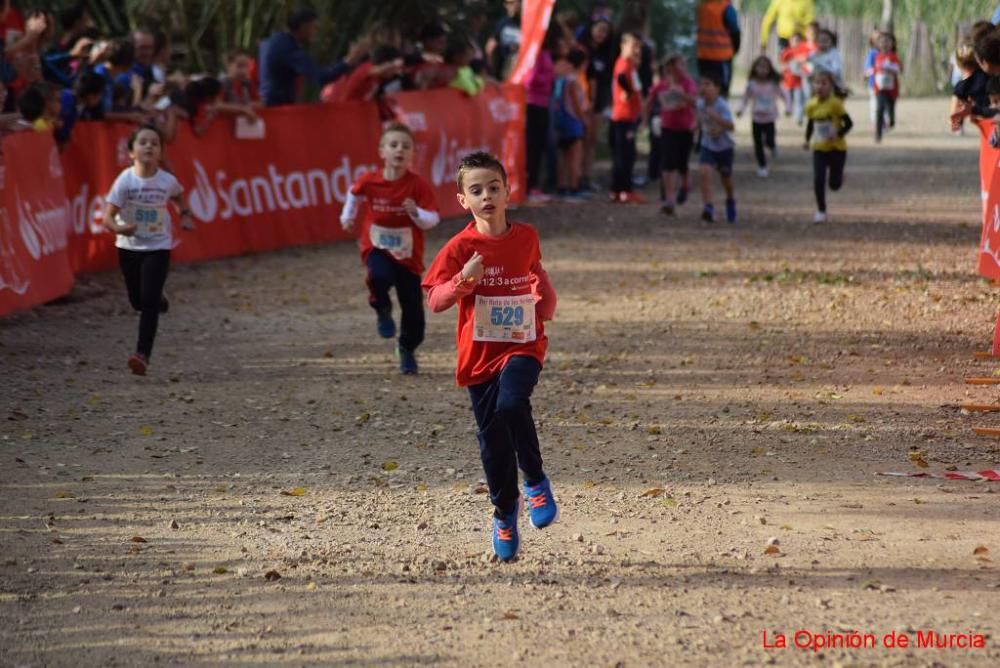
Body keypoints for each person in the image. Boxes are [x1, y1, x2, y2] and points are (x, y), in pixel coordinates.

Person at [422, 151, 558, 562]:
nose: (487, 196)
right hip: (479, 356)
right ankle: (504, 512)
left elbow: (540, 284)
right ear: (463, 200)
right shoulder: (460, 247)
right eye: (476, 190)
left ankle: (535, 481)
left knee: (514, 402)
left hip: (522, 345)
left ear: (507, 191)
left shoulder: (526, 235)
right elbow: (435, 299)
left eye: (493, 187)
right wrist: (464, 281)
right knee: (493, 444)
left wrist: (544, 298)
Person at [340, 123, 439, 375]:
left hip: (408, 255)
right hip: (377, 246)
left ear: (412, 155)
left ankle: (406, 348)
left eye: (406, 146)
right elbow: (354, 194)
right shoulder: (370, 180)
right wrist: (347, 217)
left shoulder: (417, 186)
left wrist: (416, 212)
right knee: (378, 276)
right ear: (382, 151)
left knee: (414, 314)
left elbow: (433, 219)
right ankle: (381, 307)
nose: (399, 150)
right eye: (393, 145)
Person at [101, 124, 194, 375]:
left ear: (161, 153)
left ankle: (142, 354)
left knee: (149, 301)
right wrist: (120, 230)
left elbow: (178, 196)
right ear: (131, 152)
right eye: (143, 142)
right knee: (138, 300)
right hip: (129, 246)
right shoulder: (125, 181)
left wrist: (184, 214)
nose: (149, 146)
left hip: (158, 245)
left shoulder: (167, 181)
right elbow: (107, 218)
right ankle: (156, 298)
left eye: (154, 143)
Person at [258, 8, 363, 106]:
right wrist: (348, 61)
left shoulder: (272, 41)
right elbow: (321, 77)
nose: (317, 31)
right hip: (277, 108)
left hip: (267, 104)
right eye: (315, 27)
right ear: (304, 26)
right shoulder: (289, 49)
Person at [647, 53, 697, 216]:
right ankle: (669, 199)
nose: (679, 70)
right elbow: (649, 99)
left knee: (682, 163)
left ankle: (685, 185)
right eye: (675, 66)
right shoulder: (662, 85)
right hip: (668, 128)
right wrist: (643, 120)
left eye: (682, 65)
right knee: (668, 164)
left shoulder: (688, 83)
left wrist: (680, 93)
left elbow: (695, 101)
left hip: (685, 128)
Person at [803, 70, 852, 223]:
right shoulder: (811, 105)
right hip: (819, 148)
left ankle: (839, 176)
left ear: (831, 86)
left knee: (834, 185)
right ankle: (821, 210)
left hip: (837, 149)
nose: (820, 86)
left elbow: (849, 123)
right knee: (818, 179)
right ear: (812, 85)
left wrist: (838, 133)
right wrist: (806, 140)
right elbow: (811, 124)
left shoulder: (835, 104)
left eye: (824, 83)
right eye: (817, 83)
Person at [736, 55, 790, 178]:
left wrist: (788, 108)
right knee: (758, 143)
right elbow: (745, 98)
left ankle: (773, 146)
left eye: (765, 67)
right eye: (759, 67)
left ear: (769, 69)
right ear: (755, 69)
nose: (762, 70)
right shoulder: (751, 84)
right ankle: (762, 166)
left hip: (770, 118)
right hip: (756, 118)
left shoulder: (773, 84)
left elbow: (785, 95)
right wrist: (740, 109)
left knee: (769, 139)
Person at [696, 73, 736, 223]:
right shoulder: (700, 104)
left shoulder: (722, 105)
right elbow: (699, 118)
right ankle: (708, 207)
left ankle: (730, 200)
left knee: (726, 178)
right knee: (704, 172)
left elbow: (731, 126)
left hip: (725, 147)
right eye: (702, 84)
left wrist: (717, 121)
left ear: (717, 89)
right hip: (708, 145)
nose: (704, 88)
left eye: (708, 84)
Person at [610, 32, 644, 204]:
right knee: (625, 155)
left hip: (628, 115)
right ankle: (624, 189)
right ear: (623, 46)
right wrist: (628, 92)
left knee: (624, 154)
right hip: (624, 115)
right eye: (633, 46)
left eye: (638, 46)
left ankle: (618, 189)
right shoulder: (623, 63)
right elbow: (621, 78)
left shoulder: (630, 64)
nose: (636, 50)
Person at [524, 27, 557, 203]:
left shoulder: (545, 53)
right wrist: (549, 77)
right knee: (533, 146)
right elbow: (529, 79)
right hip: (533, 103)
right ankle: (530, 186)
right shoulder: (535, 53)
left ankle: (534, 185)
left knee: (540, 145)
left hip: (543, 103)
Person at [552, 48, 587, 200]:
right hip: (572, 121)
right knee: (574, 155)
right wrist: (583, 119)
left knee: (563, 155)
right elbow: (575, 104)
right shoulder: (573, 80)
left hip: (561, 120)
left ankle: (561, 186)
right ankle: (573, 187)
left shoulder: (561, 78)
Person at [696, 0, 740, 98]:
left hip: (703, 56)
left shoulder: (702, 6)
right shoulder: (725, 8)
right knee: (721, 91)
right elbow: (735, 31)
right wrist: (735, 48)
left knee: (705, 90)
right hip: (721, 57)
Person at [870, 32, 901, 143]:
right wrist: (867, 74)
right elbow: (874, 69)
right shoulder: (877, 56)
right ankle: (878, 134)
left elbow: (898, 69)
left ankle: (891, 120)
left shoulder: (893, 57)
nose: (885, 44)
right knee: (879, 109)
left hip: (892, 89)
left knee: (890, 108)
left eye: (888, 41)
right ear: (878, 44)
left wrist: (890, 68)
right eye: (882, 41)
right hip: (879, 88)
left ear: (893, 44)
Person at [485, 0, 520, 80]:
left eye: (512, 3)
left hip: (520, 70)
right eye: (506, 3)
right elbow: (491, 45)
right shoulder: (503, 23)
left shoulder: (527, 24)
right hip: (503, 69)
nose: (508, 6)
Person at [780, 32, 810, 125]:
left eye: (797, 40)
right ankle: (788, 110)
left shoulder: (804, 50)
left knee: (799, 100)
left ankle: (799, 118)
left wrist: (799, 61)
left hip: (798, 81)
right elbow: (782, 65)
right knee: (788, 99)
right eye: (793, 40)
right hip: (788, 81)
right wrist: (787, 66)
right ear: (789, 41)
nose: (795, 42)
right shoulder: (786, 51)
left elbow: (807, 60)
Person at [808, 28, 845, 95]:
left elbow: (836, 71)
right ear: (816, 41)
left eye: (825, 40)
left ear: (831, 41)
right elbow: (808, 69)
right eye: (820, 40)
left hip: (832, 88)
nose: (823, 43)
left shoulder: (834, 54)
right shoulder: (812, 55)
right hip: (816, 88)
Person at [863, 30, 881, 124]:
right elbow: (868, 69)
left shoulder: (885, 53)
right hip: (874, 83)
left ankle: (882, 120)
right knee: (875, 102)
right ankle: (875, 120)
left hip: (883, 84)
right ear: (873, 41)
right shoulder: (872, 54)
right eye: (877, 39)